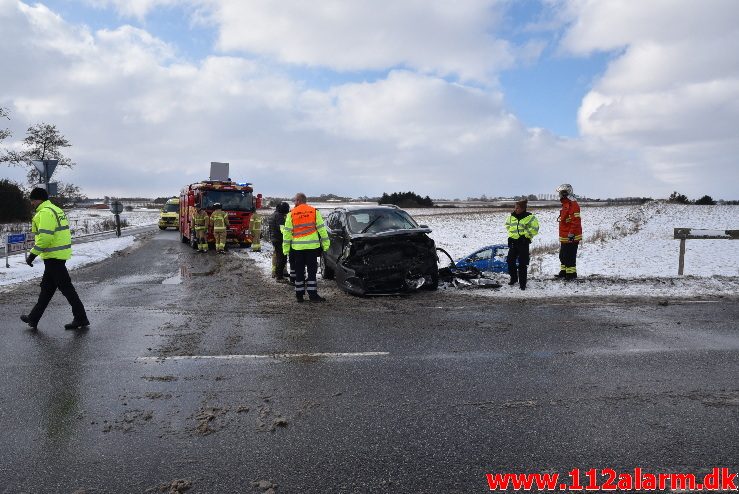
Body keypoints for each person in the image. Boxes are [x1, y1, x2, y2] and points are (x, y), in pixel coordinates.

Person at [21, 187, 89, 330]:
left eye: (32, 201)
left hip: (53, 256)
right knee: (46, 289)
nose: (31, 203)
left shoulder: (45, 213)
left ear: (38, 199)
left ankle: (81, 318)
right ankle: (33, 318)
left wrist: (32, 255)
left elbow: (45, 237)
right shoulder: (56, 210)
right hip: (59, 254)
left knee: (66, 288)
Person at [282, 193, 330, 302]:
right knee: (312, 272)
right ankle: (313, 295)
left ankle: (299, 296)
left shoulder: (291, 214)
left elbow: (287, 233)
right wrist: (326, 245)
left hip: (297, 249)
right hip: (312, 248)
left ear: (299, 200)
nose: (294, 202)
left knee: (299, 272)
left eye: (295, 200)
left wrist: (286, 248)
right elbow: (322, 230)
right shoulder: (314, 212)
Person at [504, 199, 539, 290]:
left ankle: (522, 284)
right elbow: (508, 226)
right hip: (513, 242)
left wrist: (526, 236)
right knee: (510, 261)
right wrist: (511, 237)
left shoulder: (530, 217)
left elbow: (535, 229)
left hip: (523, 243)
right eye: (515, 207)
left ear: (523, 208)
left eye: (517, 208)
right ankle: (514, 279)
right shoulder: (511, 217)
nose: (515, 209)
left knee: (522, 264)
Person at [555, 184, 582, 280]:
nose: (560, 195)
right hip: (564, 235)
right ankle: (564, 272)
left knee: (569, 256)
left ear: (566, 193)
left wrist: (572, 233)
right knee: (563, 255)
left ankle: (571, 274)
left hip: (571, 236)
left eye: (561, 193)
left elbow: (576, 221)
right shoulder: (566, 203)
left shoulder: (573, 204)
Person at [268, 202, 290, 281]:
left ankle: (279, 274)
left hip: (275, 239)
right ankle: (279, 276)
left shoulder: (274, 215)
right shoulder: (279, 216)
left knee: (279, 257)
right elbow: (282, 230)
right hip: (279, 240)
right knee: (282, 258)